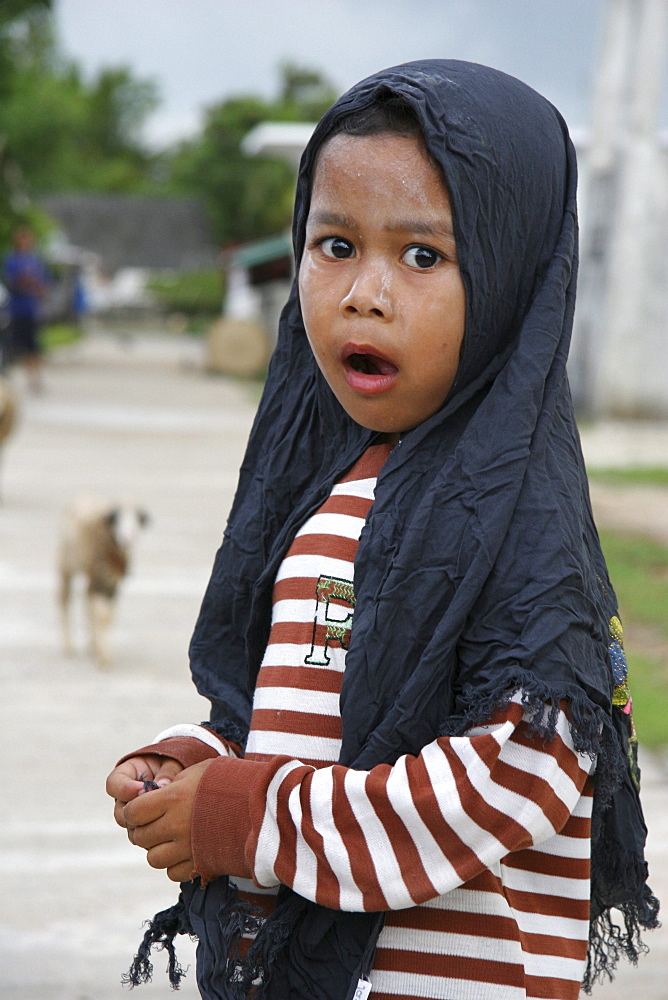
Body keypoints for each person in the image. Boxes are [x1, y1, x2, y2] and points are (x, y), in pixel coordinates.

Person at [106, 60, 659, 1000]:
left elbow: (517, 774)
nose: (365, 293)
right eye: (334, 246)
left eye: (422, 256)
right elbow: (303, 717)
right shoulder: (316, 489)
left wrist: (247, 819)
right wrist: (194, 761)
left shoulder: (518, 528)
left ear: (516, 278)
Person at [1, 225, 48, 391]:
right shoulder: (11, 260)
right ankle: (6, 379)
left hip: (31, 309)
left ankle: (35, 380)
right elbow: (11, 282)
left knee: (33, 346)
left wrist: (39, 290)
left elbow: (42, 283)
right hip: (15, 309)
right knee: (11, 346)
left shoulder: (34, 260)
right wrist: (24, 282)